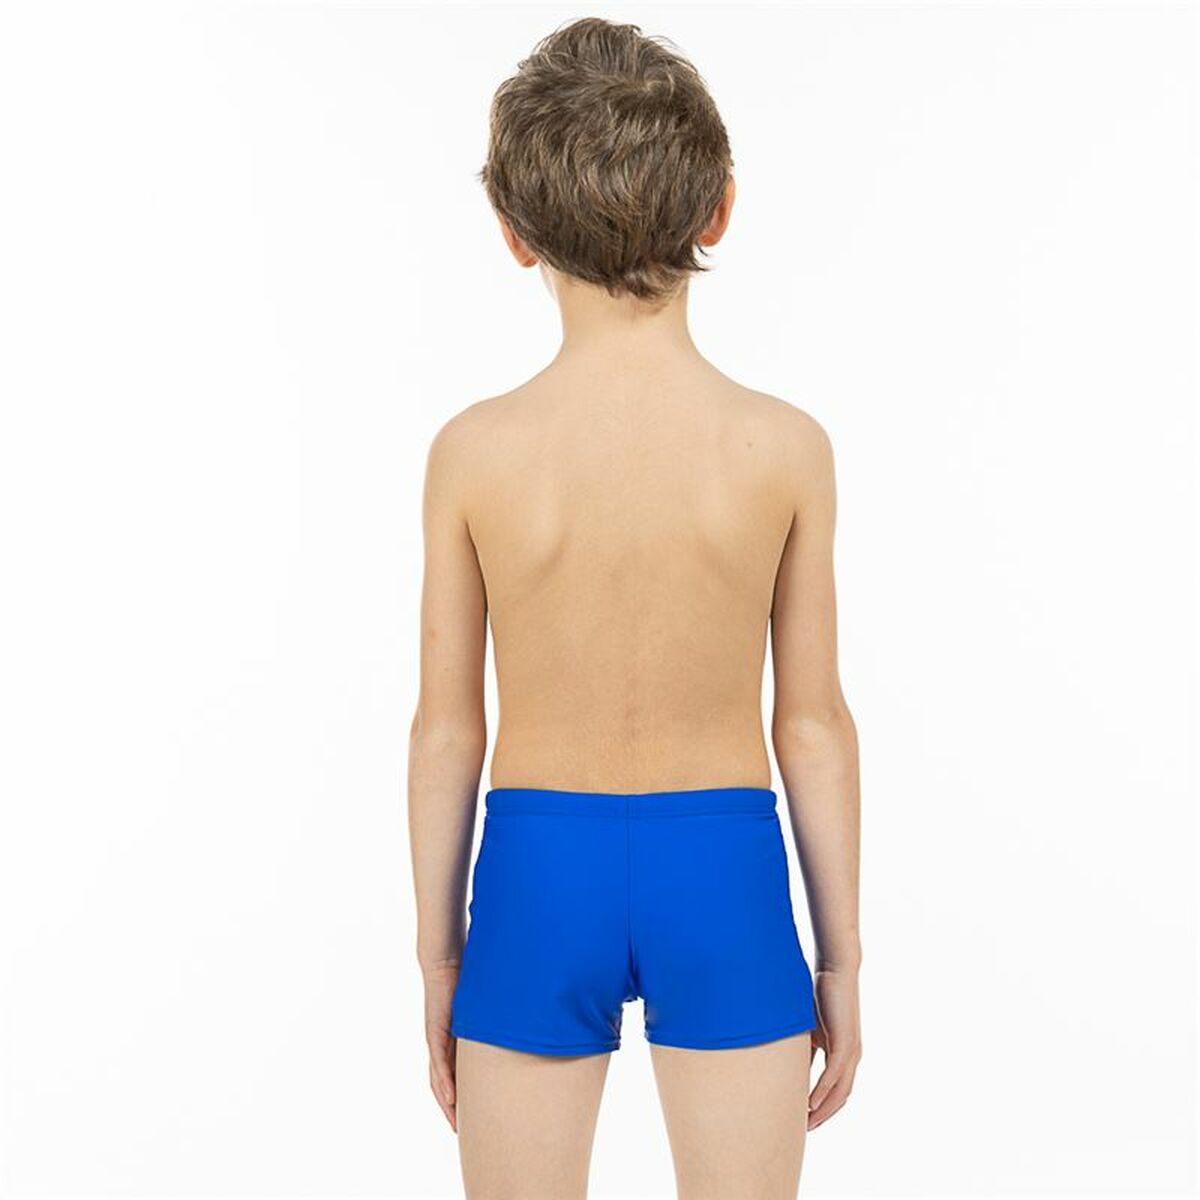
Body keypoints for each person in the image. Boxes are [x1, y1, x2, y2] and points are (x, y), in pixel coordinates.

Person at [407, 17, 861, 1199]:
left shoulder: (474, 453)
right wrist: (842, 958)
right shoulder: (784, 449)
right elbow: (812, 724)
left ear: (513, 233)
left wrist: (440, 956)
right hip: (724, 866)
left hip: (535, 869)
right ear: (720, 209)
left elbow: (446, 730)